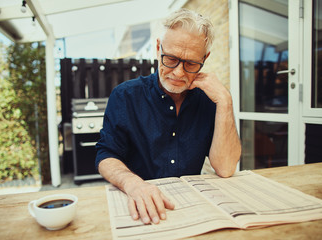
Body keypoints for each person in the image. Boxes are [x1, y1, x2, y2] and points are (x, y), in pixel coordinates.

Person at [95, 8, 241, 225]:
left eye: (191, 63)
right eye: (170, 59)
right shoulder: (125, 95)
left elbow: (226, 167)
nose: (178, 73)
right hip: (138, 206)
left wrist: (225, 102)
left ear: (205, 58)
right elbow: (106, 154)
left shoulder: (211, 100)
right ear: (157, 48)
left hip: (193, 209)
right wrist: (133, 184)